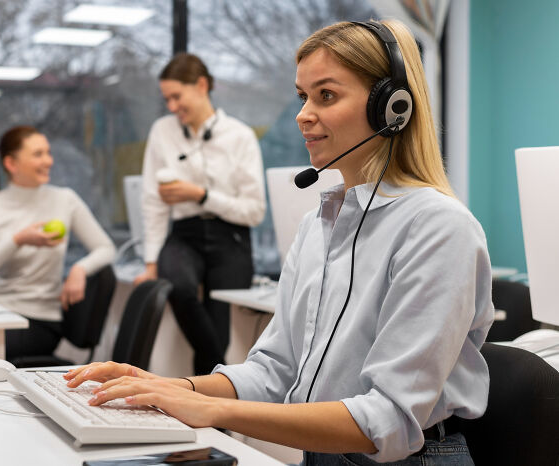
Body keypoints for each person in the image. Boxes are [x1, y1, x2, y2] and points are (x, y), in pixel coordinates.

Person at [64, 19, 494, 465]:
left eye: (326, 95)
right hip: (322, 452)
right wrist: (165, 386)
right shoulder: (317, 226)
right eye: (302, 96)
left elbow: (386, 419)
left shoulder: (439, 228)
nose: (303, 114)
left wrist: (210, 410)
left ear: (392, 107)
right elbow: (274, 371)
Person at [133, 53, 266, 375]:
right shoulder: (162, 131)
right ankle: (217, 374)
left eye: (177, 96)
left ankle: (207, 412)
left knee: (219, 327)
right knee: (176, 286)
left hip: (231, 236)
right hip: (184, 235)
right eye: (167, 98)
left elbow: (254, 211)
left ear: (202, 85)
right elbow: (152, 201)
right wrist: (151, 263)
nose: (172, 106)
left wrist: (201, 195)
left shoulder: (240, 135)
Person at [0, 126, 116, 362]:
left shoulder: (65, 200)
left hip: (39, 320)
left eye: (48, 152)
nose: (49, 161)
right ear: (11, 164)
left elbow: (106, 249)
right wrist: (18, 240)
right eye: (38, 154)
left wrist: (79, 269)